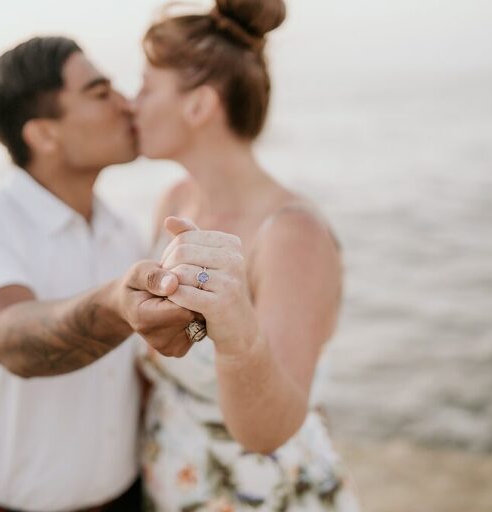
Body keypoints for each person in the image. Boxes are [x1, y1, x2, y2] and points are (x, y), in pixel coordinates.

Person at [0, 36, 197, 512]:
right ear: (44, 134)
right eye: (99, 93)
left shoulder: (128, 231)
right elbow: (9, 336)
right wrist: (117, 305)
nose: (127, 103)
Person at [131, 0, 361, 509]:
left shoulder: (292, 235)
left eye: (147, 87)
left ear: (198, 106)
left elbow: (269, 429)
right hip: (173, 484)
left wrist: (237, 335)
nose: (133, 104)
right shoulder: (175, 202)